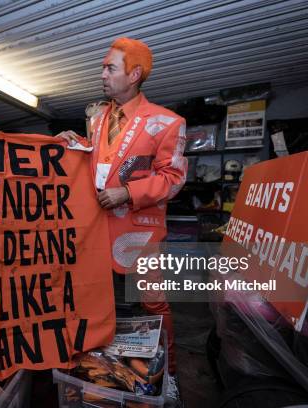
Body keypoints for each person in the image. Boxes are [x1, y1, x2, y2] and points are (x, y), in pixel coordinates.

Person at [62, 38, 187, 384]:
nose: (102, 73)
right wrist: (72, 144)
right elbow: (97, 160)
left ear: (133, 75)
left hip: (139, 234)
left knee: (154, 307)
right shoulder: (97, 118)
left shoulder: (167, 122)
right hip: (96, 232)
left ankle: (170, 373)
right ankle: (105, 372)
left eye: (109, 67)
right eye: (103, 67)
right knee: (98, 305)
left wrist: (127, 193)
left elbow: (173, 178)